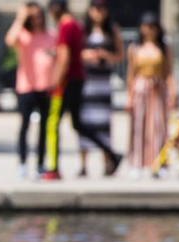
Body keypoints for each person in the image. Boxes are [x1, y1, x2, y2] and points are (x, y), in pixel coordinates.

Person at [44, 0, 122, 181]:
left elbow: (64, 57)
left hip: (66, 81)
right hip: (79, 80)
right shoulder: (77, 26)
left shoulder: (65, 26)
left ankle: (53, 167)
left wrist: (54, 82)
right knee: (78, 124)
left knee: (52, 123)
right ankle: (111, 153)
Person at [5, 3, 56, 179]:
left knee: (44, 128)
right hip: (26, 87)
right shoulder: (23, 36)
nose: (37, 20)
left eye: (39, 16)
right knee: (24, 126)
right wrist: (20, 17)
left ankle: (41, 163)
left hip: (46, 87)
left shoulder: (50, 36)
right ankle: (22, 163)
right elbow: (9, 40)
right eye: (32, 17)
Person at [77, 0, 123, 178]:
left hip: (103, 82)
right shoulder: (83, 30)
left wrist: (106, 56)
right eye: (95, 8)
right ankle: (83, 165)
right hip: (87, 82)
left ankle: (107, 162)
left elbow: (120, 55)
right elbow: (75, 52)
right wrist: (87, 55)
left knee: (104, 125)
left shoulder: (112, 30)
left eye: (101, 8)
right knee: (84, 123)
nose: (98, 12)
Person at [126, 12, 175, 179]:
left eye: (152, 27)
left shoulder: (164, 47)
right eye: (146, 26)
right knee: (139, 127)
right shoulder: (134, 48)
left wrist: (172, 93)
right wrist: (129, 96)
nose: (149, 30)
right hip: (140, 88)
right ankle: (137, 163)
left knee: (159, 127)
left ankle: (160, 162)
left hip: (158, 89)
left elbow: (169, 72)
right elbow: (131, 73)